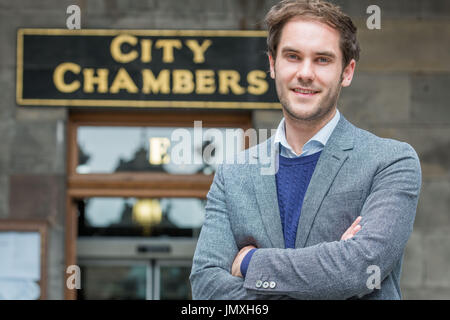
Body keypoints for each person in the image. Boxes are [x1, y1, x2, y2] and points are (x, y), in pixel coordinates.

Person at [190, 0, 421, 300]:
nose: (305, 73)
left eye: (322, 59)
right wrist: (329, 272)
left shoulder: (390, 162)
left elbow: (361, 269)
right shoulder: (233, 175)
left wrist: (250, 262)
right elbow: (207, 289)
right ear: (273, 65)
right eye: (293, 56)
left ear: (347, 72)